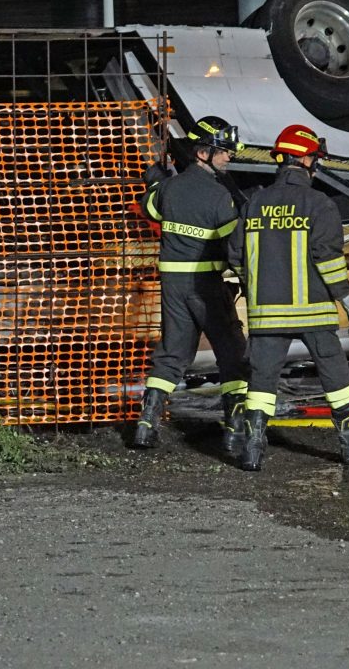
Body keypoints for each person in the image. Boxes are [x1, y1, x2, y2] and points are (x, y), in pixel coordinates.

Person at [227, 124, 349, 471]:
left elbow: (235, 254)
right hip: (312, 311)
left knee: (262, 378)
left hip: (267, 313)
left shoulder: (254, 203)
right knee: (334, 372)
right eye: (315, 158)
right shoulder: (318, 203)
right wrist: (346, 298)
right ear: (305, 160)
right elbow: (327, 256)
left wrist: (259, 285)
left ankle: (252, 448)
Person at [133, 115, 250, 452]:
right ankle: (236, 428)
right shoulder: (219, 196)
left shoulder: (169, 189)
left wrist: (156, 181)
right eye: (223, 151)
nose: (228, 157)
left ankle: (145, 426)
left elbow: (150, 208)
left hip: (173, 284)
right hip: (206, 285)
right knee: (231, 351)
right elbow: (235, 247)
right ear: (202, 153)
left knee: (172, 353)